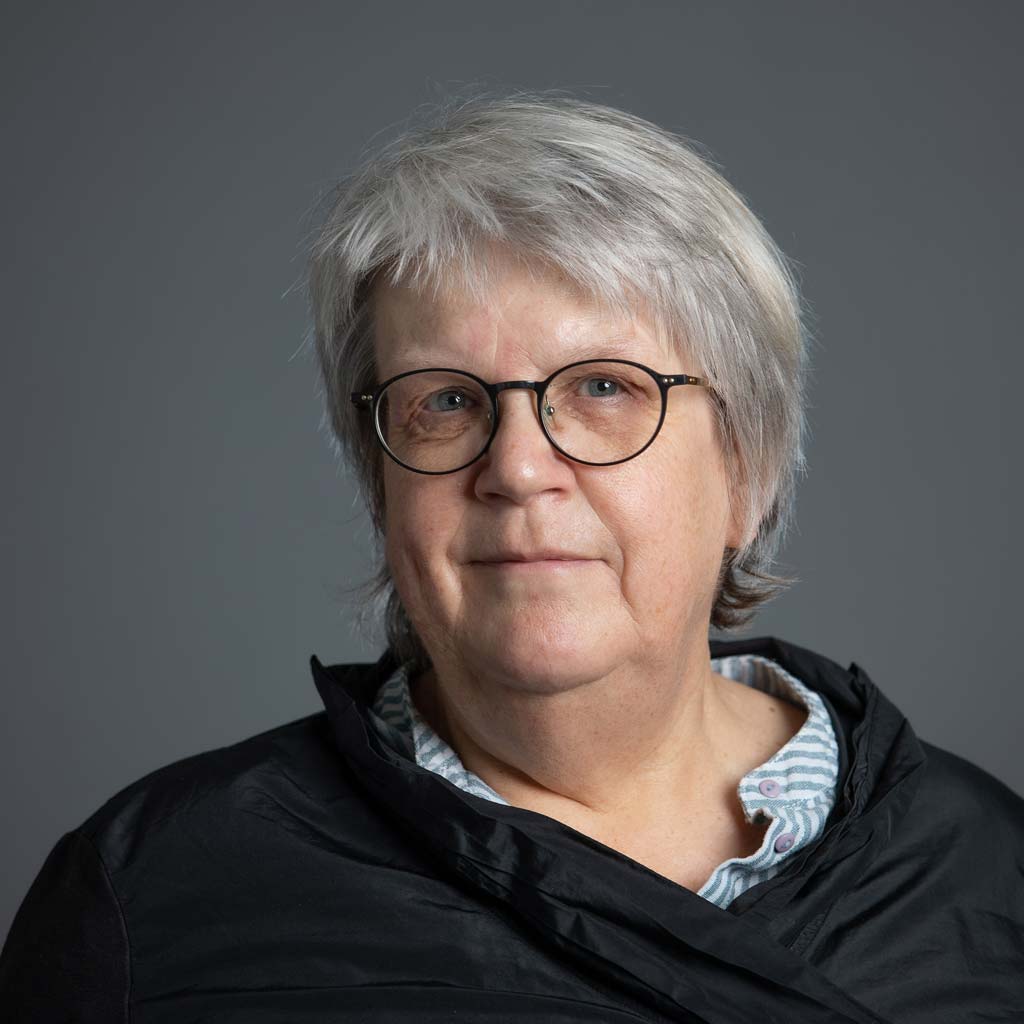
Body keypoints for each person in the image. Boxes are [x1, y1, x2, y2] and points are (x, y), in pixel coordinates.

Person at [2, 91, 1021, 1023]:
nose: (519, 469)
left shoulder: (994, 877)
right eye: (446, 401)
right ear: (380, 481)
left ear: (745, 470)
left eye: (605, 388)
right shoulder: (152, 894)